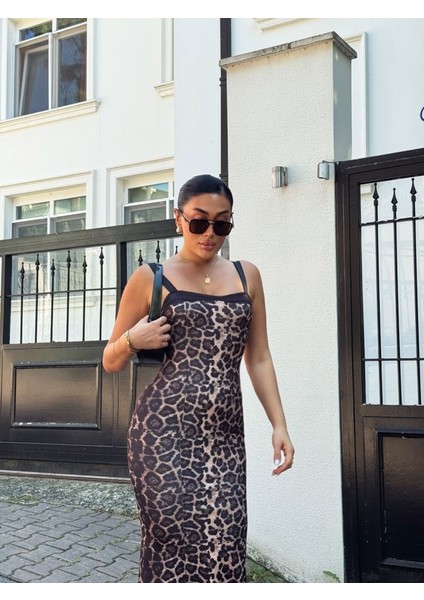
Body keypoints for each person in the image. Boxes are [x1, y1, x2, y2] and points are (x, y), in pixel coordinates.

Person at [102, 174, 294, 583]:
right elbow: (109, 359)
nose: (210, 233)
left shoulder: (247, 275)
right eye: (199, 221)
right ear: (178, 219)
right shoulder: (150, 277)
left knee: (227, 545)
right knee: (171, 544)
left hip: (225, 438)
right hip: (163, 436)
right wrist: (133, 340)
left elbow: (259, 357)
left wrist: (279, 424)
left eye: (222, 223)